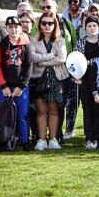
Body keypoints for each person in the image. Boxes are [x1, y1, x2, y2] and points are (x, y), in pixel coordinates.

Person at [0, 16, 33, 151]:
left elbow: (28, 67)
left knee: (22, 115)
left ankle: (25, 141)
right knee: (5, 115)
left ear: (20, 28)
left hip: (20, 88)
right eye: (10, 27)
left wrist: (21, 86)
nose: (13, 29)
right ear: (6, 28)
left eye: (16, 27)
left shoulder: (25, 46)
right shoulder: (0, 45)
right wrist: (3, 86)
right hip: (5, 87)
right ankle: (4, 140)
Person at [30, 12, 68, 151]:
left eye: (50, 23)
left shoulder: (61, 40)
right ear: (39, 25)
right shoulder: (33, 40)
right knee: (41, 110)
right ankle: (41, 140)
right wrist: (51, 56)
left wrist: (43, 61)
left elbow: (62, 58)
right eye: (44, 23)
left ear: (55, 25)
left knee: (53, 110)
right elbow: (33, 57)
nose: (47, 26)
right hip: (38, 79)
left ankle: (52, 139)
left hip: (55, 78)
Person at [73, 16, 99, 149]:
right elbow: (75, 60)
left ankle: (98, 137)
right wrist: (76, 75)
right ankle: (89, 138)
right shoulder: (80, 42)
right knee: (87, 110)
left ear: (98, 26)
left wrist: (88, 62)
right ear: (85, 27)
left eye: (94, 26)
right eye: (89, 26)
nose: (92, 28)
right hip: (84, 80)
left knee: (98, 109)